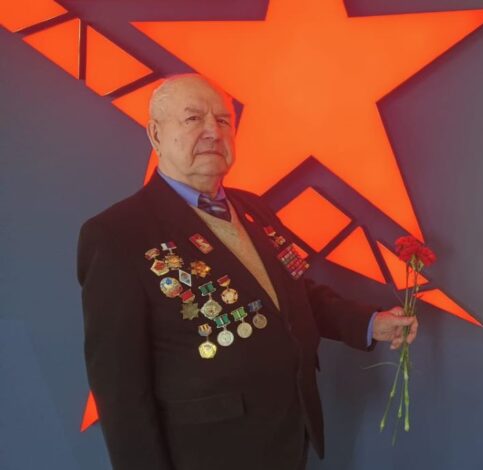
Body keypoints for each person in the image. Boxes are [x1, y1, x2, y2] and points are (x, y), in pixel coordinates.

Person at [77, 75, 418, 469]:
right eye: (193, 118)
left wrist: (369, 323)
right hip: (206, 453)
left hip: (287, 436)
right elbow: (119, 388)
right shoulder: (118, 234)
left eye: (223, 120)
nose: (212, 131)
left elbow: (294, 295)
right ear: (155, 134)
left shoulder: (254, 209)